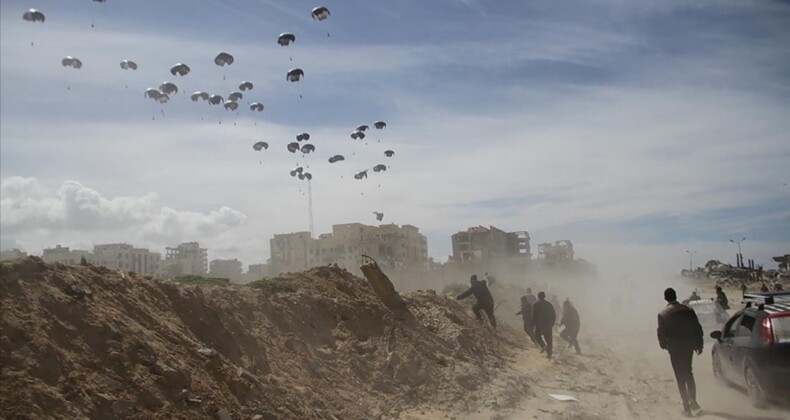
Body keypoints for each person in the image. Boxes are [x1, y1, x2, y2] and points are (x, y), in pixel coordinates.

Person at [657, 288, 704, 417]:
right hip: (688, 346)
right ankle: (693, 401)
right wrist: (699, 344)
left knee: (680, 376)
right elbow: (697, 327)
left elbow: (661, 334)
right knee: (689, 373)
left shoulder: (663, 314)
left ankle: (687, 407)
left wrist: (665, 346)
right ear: (676, 296)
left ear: (666, 298)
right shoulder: (688, 310)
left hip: (675, 349)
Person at [532, 291, 556, 359]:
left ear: (538, 297)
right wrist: (552, 323)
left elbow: (534, 316)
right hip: (548, 324)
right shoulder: (549, 304)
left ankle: (543, 346)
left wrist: (532, 324)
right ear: (544, 296)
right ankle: (549, 354)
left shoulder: (536, 304)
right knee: (549, 339)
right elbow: (554, 315)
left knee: (537, 336)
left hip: (539, 324)